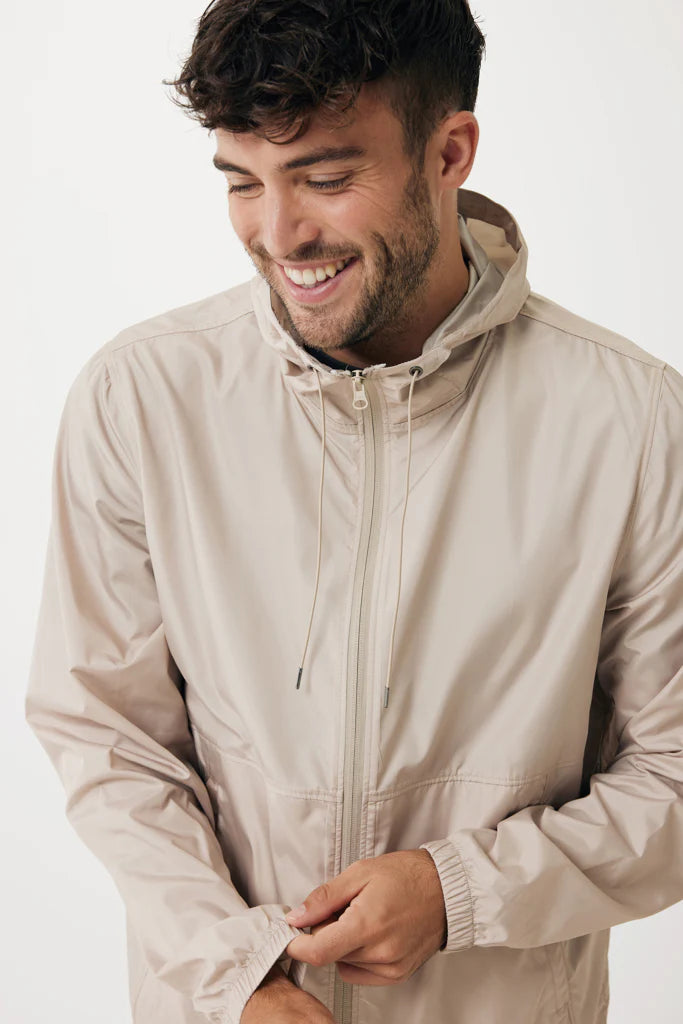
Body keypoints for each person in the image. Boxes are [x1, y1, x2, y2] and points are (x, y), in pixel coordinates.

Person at [25, 1, 683, 1023]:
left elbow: (672, 775)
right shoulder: (143, 398)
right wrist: (233, 975)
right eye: (242, 182)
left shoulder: (631, 421)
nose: (278, 234)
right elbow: (108, 733)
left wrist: (457, 892)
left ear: (448, 152)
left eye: (326, 179)